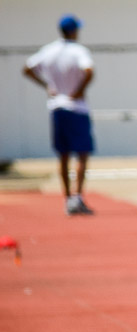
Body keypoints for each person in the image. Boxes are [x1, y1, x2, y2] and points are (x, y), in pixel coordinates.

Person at [23, 14, 96, 216]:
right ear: (73, 31)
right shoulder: (78, 51)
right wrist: (80, 90)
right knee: (82, 154)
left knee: (63, 155)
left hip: (57, 107)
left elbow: (27, 68)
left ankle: (67, 199)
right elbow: (89, 71)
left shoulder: (49, 50)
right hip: (77, 107)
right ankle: (78, 197)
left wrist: (47, 85)